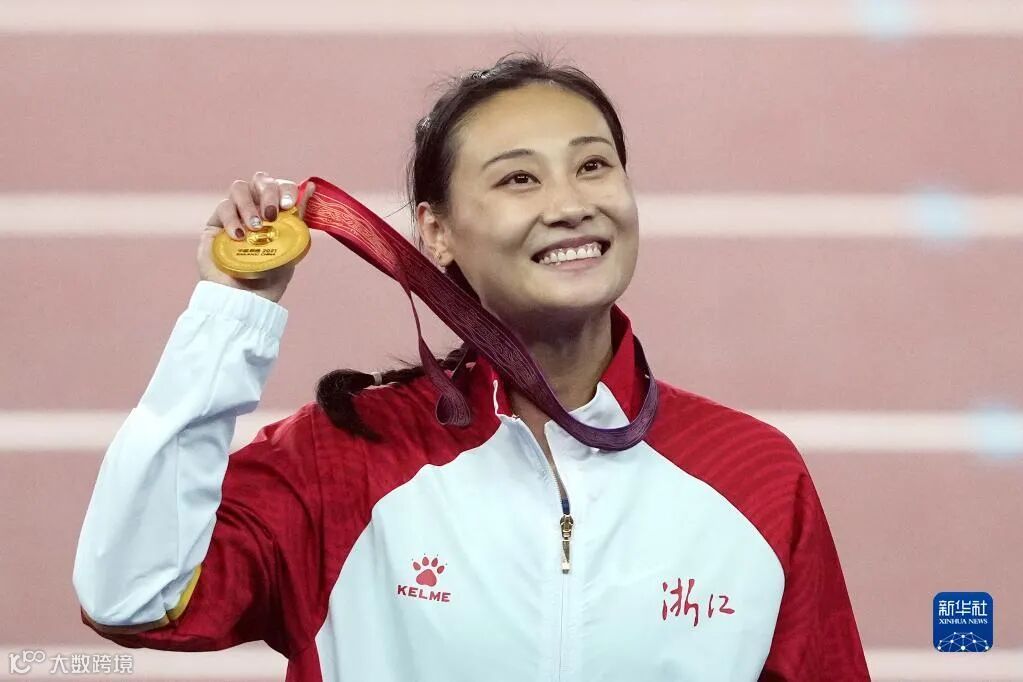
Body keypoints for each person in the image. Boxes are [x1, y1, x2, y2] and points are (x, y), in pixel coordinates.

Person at [72, 52, 870, 681]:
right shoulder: (341, 463)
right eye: (518, 178)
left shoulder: (755, 476)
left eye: (593, 166)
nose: (570, 203)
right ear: (436, 232)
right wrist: (230, 316)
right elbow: (133, 597)